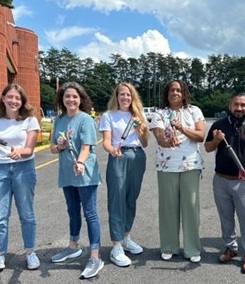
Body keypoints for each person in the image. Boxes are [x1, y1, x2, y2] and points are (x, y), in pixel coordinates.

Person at [0, 83, 41, 272]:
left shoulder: (30, 120)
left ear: (22, 101)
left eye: (17, 98)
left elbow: (29, 149)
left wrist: (19, 152)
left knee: (27, 214)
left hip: (23, 168)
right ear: (3, 98)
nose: (13, 101)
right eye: (10, 97)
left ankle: (30, 252)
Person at [204, 92, 245, 274]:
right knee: (226, 217)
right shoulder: (218, 125)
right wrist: (216, 139)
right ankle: (230, 248)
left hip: (242, 181)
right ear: (230, 106)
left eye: (243, 105)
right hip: (221, 180)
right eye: (236, 104)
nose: (239, 108)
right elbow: (207, 148)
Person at [49, 82, 103, 279]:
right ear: (62, 99)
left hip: (84, 174)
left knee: (90, 214)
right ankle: (73, 246)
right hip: (66, 173)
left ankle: (95, 256)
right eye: (67, 96)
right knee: (72, 211)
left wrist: (80, 162)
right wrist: (60, 146)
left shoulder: (85, 120)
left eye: (74, 96)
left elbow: (87, 146)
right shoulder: (59, 120)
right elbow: (52, 148)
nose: (70, 99)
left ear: (81, 99)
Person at [150, 79, 205, 263]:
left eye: (179, 90)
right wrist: (167, 141)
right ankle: (168, 246)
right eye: (172, 90)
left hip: (191, 164)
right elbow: (158, 137)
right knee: (168, 208)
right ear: (167, 93)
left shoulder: (194, 111)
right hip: (166, 166)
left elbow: (200, 136)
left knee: (190, 207)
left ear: (184, 94)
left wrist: (182, 128)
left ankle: (192, 248)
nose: (175, 93)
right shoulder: (159, 113)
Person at [98, 82, 148, 267]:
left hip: (137, 156)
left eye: (128, 95)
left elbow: (144, 143)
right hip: (118, 156)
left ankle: (126, 236)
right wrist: (112, 150)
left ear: (132, 97)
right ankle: (116, 245)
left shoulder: (137, 116)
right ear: (116, 97)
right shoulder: (108, 116)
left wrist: (138, 129)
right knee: (116, 199)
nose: (125, 98)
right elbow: (106, 142)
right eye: (122, 94)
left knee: (131, 198)